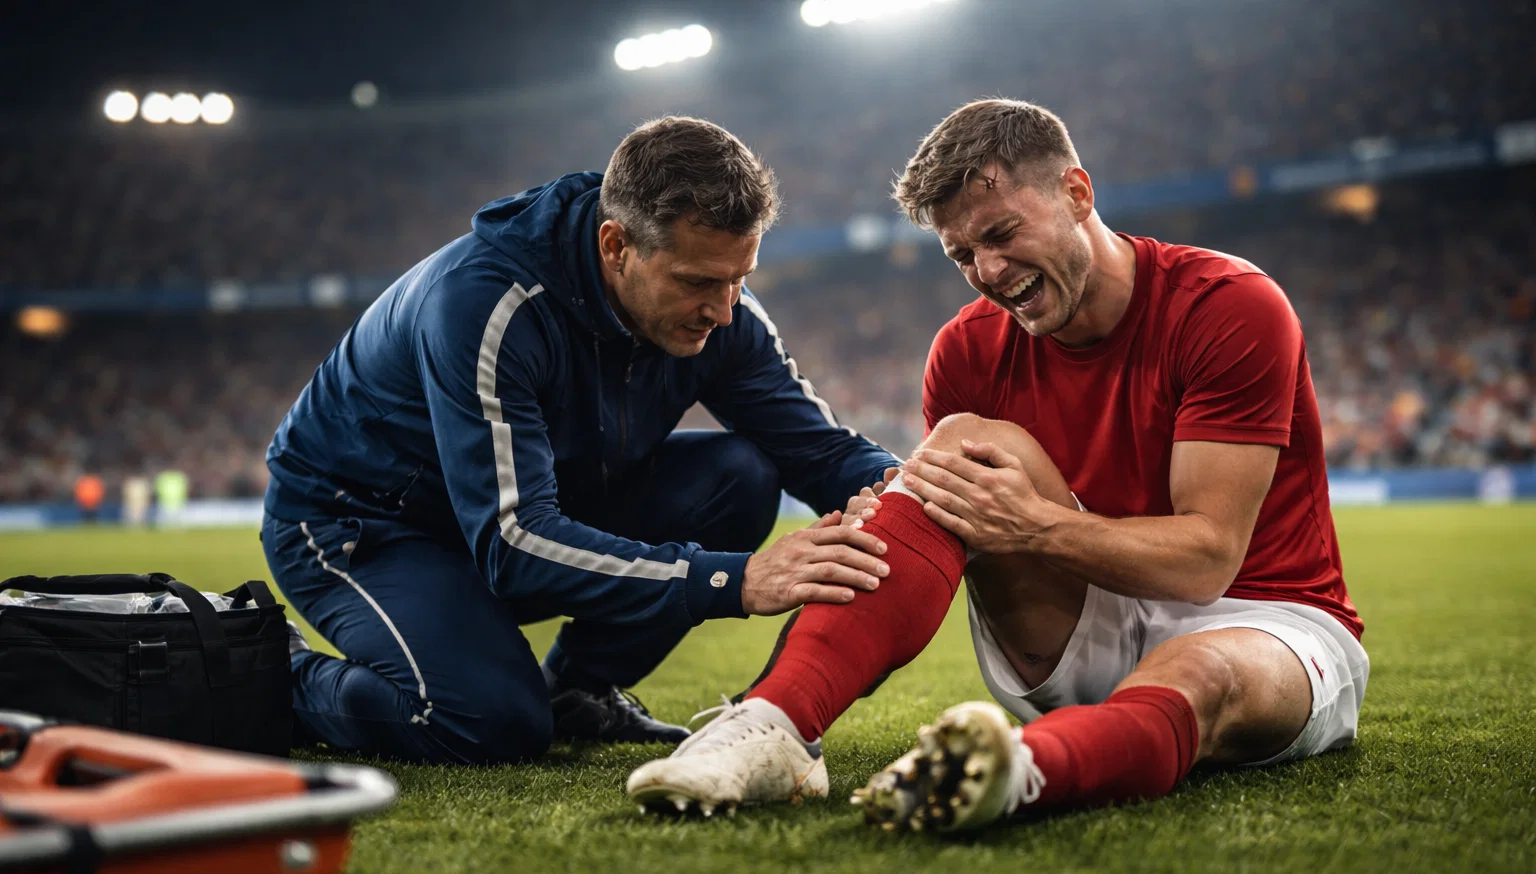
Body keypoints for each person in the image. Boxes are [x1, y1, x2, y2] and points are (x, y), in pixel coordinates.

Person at [626, 99, 1369, 832]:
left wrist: (1035, 526)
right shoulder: (967, 349)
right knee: (959, 446)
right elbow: (940, 525)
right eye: (961, 254)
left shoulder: (1228, 304)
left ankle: (1016, 771)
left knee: (1199, 673)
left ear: (1077, 194)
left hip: (1268, 624)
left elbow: (1207, 562)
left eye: (1003, 233)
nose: (987, 270)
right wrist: (891, 517)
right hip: (1080, 616)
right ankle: (775, 725)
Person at [262, 117, 898, 765]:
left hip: (524, 512)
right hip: (360, 525)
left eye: (740, 277)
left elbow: (820, 454)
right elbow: (512, 543)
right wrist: (729, 580)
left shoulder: (725, 317)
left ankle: (578, 689)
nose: (726, 309)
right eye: (698, 282)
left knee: (741, 474)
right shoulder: (488, 307)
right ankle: (269, 674)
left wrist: (925, 494)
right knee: (487, 720)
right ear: (616, 245)